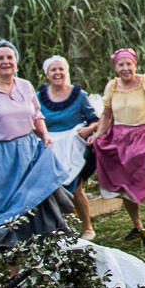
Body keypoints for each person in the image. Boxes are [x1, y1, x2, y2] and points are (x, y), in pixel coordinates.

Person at [0, 41, 72, 257]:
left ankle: (45, 258)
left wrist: (44, 135)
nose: (5, 62)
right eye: (0, 58)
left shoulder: (25, 86)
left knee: (38, 205)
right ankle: (13, 266)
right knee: (6, 213)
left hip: (27, 154)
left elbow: (37, 115)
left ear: (16, 61)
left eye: (9, 57)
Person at [87, 48, 145, 239]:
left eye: (129, 64)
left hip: (142, 135)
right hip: (119, 137)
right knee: (123, 182)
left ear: (135, 65)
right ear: (115, 67)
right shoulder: (112, 86)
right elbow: (107, 114)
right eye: (121, 64)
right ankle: (137, 226)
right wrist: (99, 134)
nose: (125, 68)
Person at [38, 56, 100, 241]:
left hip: (73, 146)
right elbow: (34, 120)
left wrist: (88, 130)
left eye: (61, 69)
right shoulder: (38, 97)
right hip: (51, 146)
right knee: (51, 190)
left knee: (76, 189)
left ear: (66, 72)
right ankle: (59, 229)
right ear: (47, 74)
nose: (57, 73)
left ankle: (87, 227)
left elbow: (94, 120)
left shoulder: (79, 95)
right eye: (53, 70)